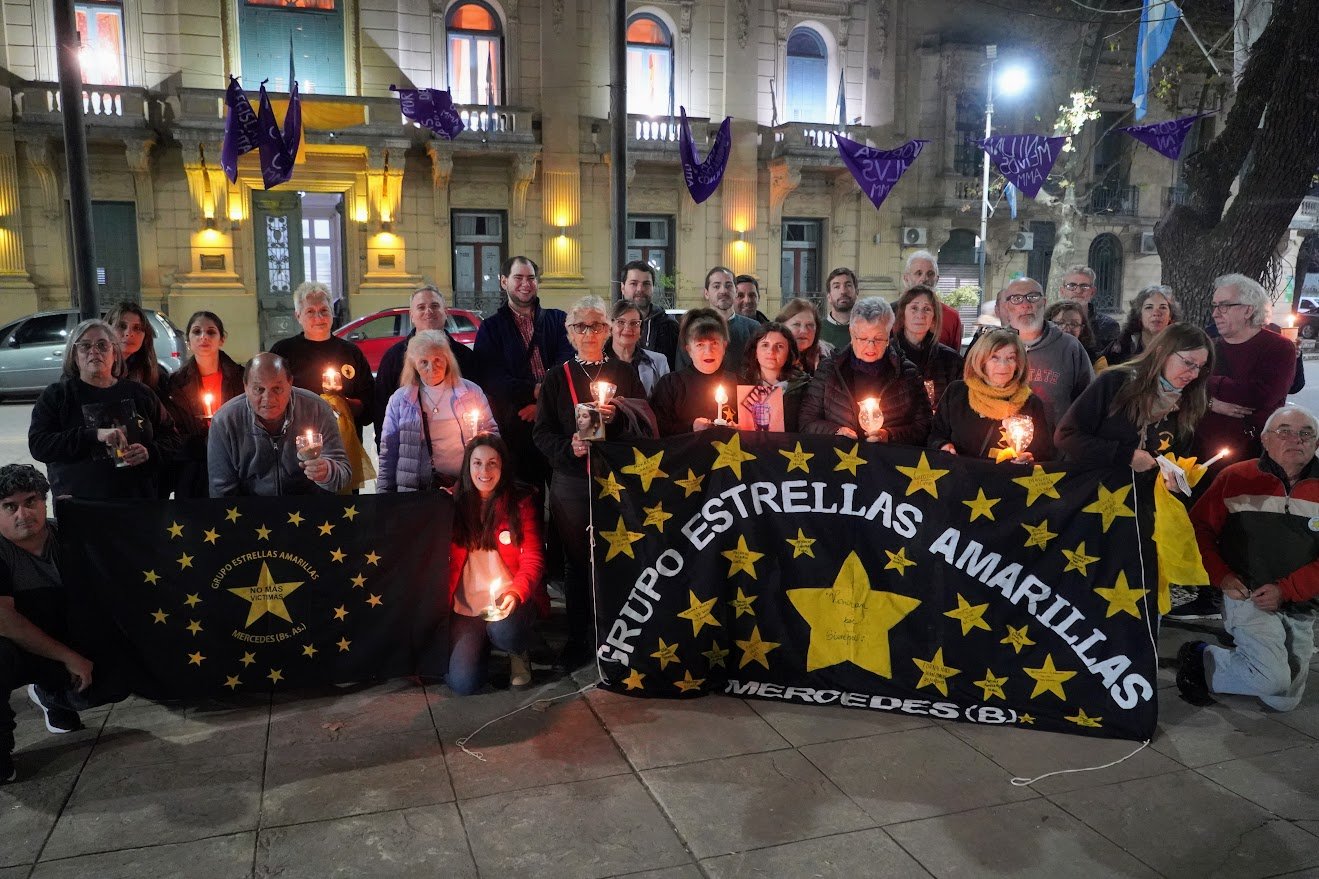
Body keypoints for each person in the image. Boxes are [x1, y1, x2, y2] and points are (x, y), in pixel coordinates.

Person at [532, 296, 649, 666]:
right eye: (581, 326)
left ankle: (616, 634)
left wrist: (620, 416)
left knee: (617, 556)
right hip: (572, 482)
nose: (589, 332)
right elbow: (541, 433)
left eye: (597, 325)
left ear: (608, 330)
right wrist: (569, 447)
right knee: (577, 562)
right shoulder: (556, 376)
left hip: (615, 481)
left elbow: (646, 423)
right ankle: (578, 637)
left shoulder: (624, 373)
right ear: (569, 332)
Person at [1179, 405, 1319, 711]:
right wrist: (1221, 576)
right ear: (1266, 440)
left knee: (1282, 701)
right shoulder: (1236, 477)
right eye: (1285, 432)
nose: (1297, 440)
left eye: (1306, 434)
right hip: (1248, 597)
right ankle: (1201, 654)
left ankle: (1225, 660)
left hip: (1302, 604)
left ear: (1317, 443)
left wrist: (1287, 591)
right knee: (1271, 681)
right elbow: (1197, 528)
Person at [0, 464, 122, 784]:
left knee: (113, 682)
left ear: (45, 502)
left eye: (31, 501)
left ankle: (51, 697)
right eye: (9, 506)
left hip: (62, 633)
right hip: (16, 645)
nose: (22, 513)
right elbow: (6, 622)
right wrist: (70, 659)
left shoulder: (67, 535)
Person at [29, 319, 174, 499]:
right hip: (81, 507)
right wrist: (93, 435)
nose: (94, 351)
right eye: (85, 346)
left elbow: (172, 438)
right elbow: (39, 446)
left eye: (102, 345)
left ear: (115, 353)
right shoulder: (58, 396)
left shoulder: (140, 394)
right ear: (74, 355)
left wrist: (150, 452)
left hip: (139, 505)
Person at [447, 435, 547, 694]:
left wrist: (516, 593)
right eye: (477, 463)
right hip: (467, 606)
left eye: (492, 463)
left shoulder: (520, 503)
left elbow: (533, 558)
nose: (484, 471)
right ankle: (482, 647)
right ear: (468, 467)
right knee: (463, 684)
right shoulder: (451, 504)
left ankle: (517, 650)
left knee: (504, 631)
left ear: (503, 467)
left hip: (508, 600)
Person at [473, 256, 572, 489]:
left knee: (564, 500)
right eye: (518, 278)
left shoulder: (558, 320)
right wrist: (532, 391)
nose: (525, 284)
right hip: (516, 428)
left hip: (559, 425)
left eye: (531, 278)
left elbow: (567, 364)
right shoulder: (491, 328)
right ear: (503, 281)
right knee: (527, 500)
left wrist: (542, 404)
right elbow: (491, 378)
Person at [1055, 323, 1212, 468]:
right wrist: (1126, 456)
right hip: (1097, 490)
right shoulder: (1115, 382)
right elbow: (1066, 436)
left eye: (1200, 367)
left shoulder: (1189, 400)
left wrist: (1174, 480)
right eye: (1188, 362)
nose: (1194, 374)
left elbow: (1177, 460)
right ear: (1161, 353)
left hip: (1143, 496)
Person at [207, 353, 350, 496]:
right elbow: (221, 490)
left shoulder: (317, 409)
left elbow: (344, 474)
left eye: (277, 389)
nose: (268, 399)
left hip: (309, 507)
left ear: (290, 383)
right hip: (251, 510)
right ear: (245, 387)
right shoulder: (225, 421)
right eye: (259, 389)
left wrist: (327, 472)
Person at [799, 297, 932, 445]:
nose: (870, 346)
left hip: (887, 461)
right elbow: (807, 422)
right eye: (863, 338)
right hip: (840, 460)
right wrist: (836, 431)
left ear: (889, 336)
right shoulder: (830, 370)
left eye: (878, 338)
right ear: (851, 333)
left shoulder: (908, 374)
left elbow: (924, 425)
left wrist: (890, 435)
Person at [377, 331, 495, 492]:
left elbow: (492, 436)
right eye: (423, 362)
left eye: (437, 360)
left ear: (448, 359)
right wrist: (384, 495)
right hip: (417, 492)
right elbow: (388, 453)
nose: (431, 368)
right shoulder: (400, 401)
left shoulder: (470, 392)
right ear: (413, 365)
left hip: (466, 487)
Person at [1197, 273, 1296, 465]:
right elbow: (1185, 390)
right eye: (1215, 306)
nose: (1215, 313)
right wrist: (1210, 403)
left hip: (1252, 455)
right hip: (1202, 452)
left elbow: (1261, 396)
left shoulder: (1279, 347)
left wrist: (1209, 382)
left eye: (1224, 306)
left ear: (1248, 310)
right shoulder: (1208, 346)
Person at [372, 285, 476, 450]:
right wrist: (385, 449)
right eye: (421, 307)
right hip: (409, 452)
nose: (429, 311)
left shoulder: (465, 357)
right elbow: (380, 409)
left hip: (457, 452)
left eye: (435, 306)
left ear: (445, 312)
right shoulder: (393, 358)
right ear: (411, 315)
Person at [928, 329, 1053, 461]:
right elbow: (935, 435)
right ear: (982, 361)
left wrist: (1030, 459)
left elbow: (1045, 453)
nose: (1003, 365)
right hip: (961, 477)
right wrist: (943, 446)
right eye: (995, 357)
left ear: (1018, 363)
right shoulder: (957, 393)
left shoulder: (1030, 403)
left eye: (1010, 358)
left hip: (1006, 479)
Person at [160, 311, 246, 499]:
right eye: (197, 332)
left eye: (211, 332)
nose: (204, 337)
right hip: (194, 468)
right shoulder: (175, 384)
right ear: (188, 341)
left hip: (235, 464)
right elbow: (173, 429)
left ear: (222, 339)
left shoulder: (241, 377)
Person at [269, 281, 375, 433]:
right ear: (298, 316)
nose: (319, 317)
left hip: (343, 442)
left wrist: (340, 400)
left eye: (324, 310)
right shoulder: (283, 352)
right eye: (310, 311)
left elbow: (369, 408)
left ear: (332, 313)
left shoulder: (351, 353)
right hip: (297, 439)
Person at [996, 278, 1093, 432]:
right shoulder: (992, 346)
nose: (1025, 304)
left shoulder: (1069, 347)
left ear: (1044, 302)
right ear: (1007, 306)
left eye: (1033, 297)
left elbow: (1089, 403)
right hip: (1001, 447)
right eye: (1016, 299)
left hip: (1056, 449)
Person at [651, 309, 740, 436]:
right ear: (688, 349)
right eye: (700, 345)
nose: (708, 351)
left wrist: (742, 430)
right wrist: (690, 428)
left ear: (724, 346)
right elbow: (657, 428)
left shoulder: (739, 384)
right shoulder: (670, 385)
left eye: (714, 343)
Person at [889, 285, 963, 411]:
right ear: (902, 315)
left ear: (934, 318)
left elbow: (958, 405)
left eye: (927, 309)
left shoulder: (951, 360)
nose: (920, 315)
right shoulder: (887, 355)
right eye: (914, 308)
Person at [675, 267, 758, 372]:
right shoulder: (691, 329)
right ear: (706, 293)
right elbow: (682, 371)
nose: (723, 291)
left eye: (728, 286)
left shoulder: (753, 328)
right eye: (716, 286)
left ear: (736, 291)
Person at [738, 322, 810, 431]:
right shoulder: (739, 383)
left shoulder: (806, 388)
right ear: (755, 352)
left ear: (789, 353)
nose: (771, 351)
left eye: (779, 346)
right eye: (765, 345)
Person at [618, 259, 679, 368]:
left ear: (653, 287)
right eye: (634, 283)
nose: (640, 289)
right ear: (622, 287)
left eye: (646, 284)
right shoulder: (610, 327)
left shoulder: (670, 326)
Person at [604, 299, 670, 395]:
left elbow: (665, 402)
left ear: (641, 330)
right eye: (621, 322)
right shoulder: (598, 361)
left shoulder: (659, 362)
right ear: (610, 327)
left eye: (634, 323)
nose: (627, 328)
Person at [901, 250, 962, 350]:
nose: (924, 279)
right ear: (906, 278)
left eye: (930, 274)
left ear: (937, 279)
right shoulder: (892, 314)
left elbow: (954, 358)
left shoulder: (951, 317)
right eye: (918, 273)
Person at [1058, 265, 1120, 362]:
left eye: (1084, 286)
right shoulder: (1050, 324)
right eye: (1071, 286)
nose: (1078, 291)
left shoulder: (1108, 326)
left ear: (1093, 292)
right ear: (1062, 291)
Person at [1108, 284, 1181, 365]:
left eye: (1163, 307)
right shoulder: (1123, 346)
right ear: (1139, 315)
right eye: (1149, 307)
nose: (1156, 313)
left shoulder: (1180, 347)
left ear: (1170, 315)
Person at [106, 301, 161, 391]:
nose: (129, 333)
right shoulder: (97, 371)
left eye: (137, 328)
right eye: (121, 326)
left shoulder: (154, 375)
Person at [775, 298, 833, 375]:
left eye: (810, 325)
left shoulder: (830, 356)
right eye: (796, 324)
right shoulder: (768, 356)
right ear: (782, 327)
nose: (804, 331)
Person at [1043, 300, 1105, 369]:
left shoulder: (1097, 361)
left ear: (1082, 329)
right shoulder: (1036, 354)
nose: (1067, 329)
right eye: (1060, 323)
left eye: (1074, 324)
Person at [817, 267, 858, 351]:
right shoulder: (817, 330)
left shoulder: (868, 329)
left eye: (848, 285)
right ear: (829, 296)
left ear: (856, 293)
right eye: (836, 286)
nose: (843, 291)